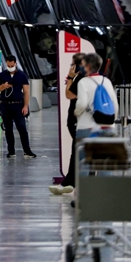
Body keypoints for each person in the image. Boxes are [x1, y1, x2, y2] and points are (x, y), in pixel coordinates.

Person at [49, 52, 88, 195]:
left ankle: (72, 182)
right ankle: (71, 182)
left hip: (79, 120)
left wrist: (70, 78)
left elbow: (69, 94)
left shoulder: (81, 79)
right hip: (77, 120)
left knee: (77, 151)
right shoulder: (83, 78)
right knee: (78, 151)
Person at [0, 55, 36, 158]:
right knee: (8, 129)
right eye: (8, 65)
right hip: (5, 105)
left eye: (12, 65)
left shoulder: (22, 75)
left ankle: (27, 151)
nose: (10, 67)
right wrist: (3, 86)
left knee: (22, 127)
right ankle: (11, 151)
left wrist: (25, 106)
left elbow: (26, 92)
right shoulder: (2, 75)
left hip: (18, 105)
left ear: (15, 64)